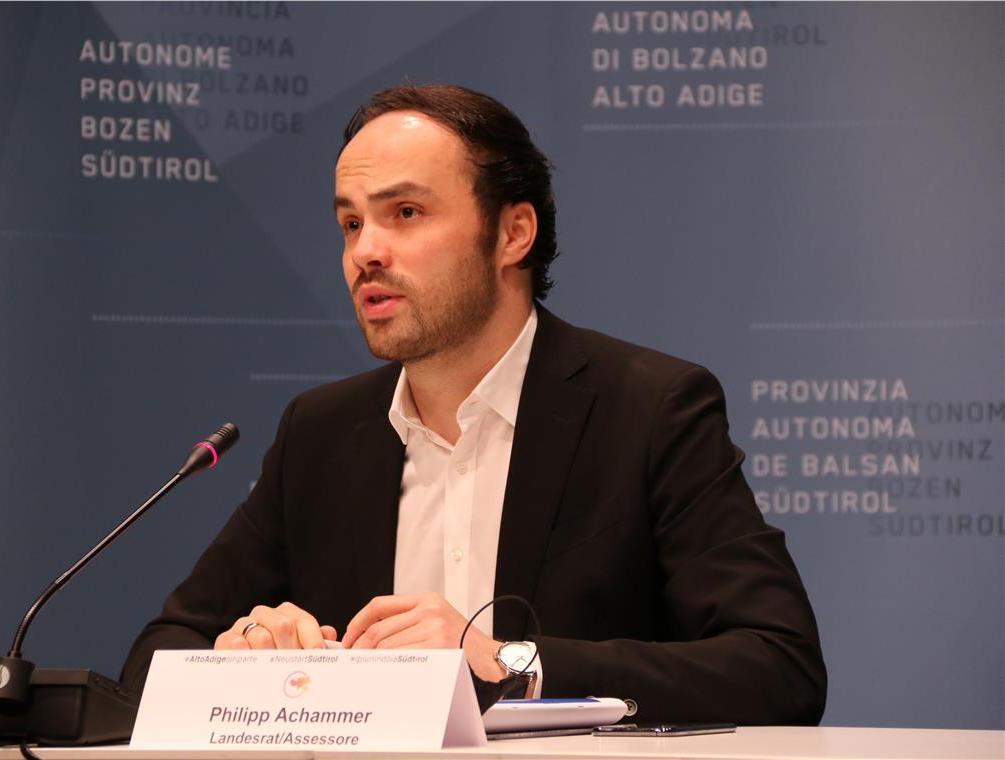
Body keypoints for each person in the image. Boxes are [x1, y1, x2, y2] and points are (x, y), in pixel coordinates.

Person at [121, 84, 827, 725]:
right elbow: (155, 657)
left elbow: (780, 666)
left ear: (513, 233)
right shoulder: (321, 433)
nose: (366, 251)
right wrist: (242, 655)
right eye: (350, 224)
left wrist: (509, 663)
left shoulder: (648, 410)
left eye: (405, 213)